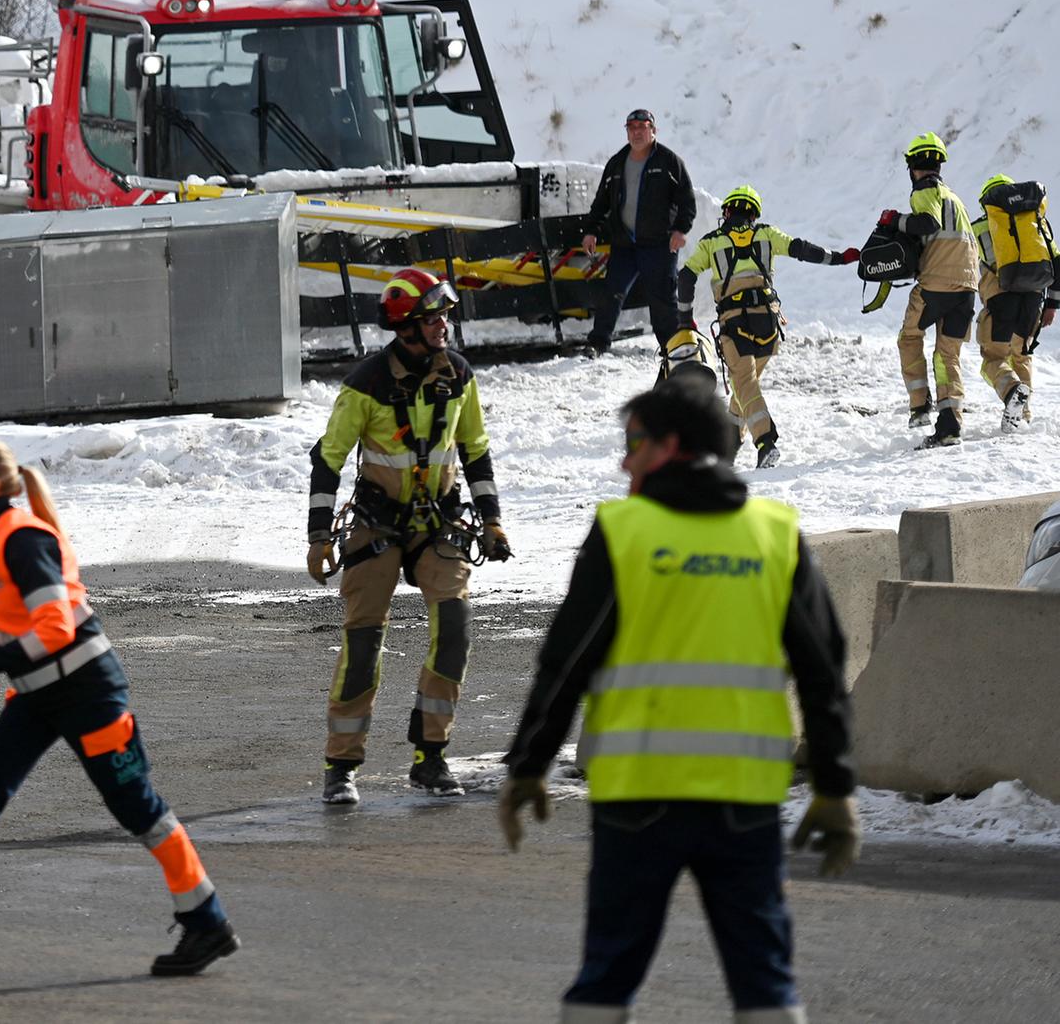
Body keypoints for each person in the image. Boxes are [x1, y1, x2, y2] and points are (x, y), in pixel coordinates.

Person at [498, 375, 858, 1024]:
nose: (622, 458)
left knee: (606, 975)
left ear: (669, 446)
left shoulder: (624, 531)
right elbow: (822, 672)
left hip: (639, 797)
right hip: (743, 801)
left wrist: (528, 766)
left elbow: (566, 662)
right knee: (764, 979)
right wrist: (835, 788)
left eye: (632, 441)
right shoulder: (774, 534)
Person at [0, 441, 237, 982]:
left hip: (88, 691)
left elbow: (55, 627)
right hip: (37, 695)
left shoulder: (22, 540)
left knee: (135, 804)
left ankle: (207, 922)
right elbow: (6, 630)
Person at [308, 267, 512, 804]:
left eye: (445, 315)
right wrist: (318, 535)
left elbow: (476, 452)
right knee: (363, 641)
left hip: (438, 527)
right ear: (407, 326)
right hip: (376, 529)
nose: (445, 323)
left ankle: (430, 756)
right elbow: (327, 460)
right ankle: (341, 765)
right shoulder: (365, 385)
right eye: (435, 316)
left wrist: (492, 520)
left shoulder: (460, 376)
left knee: (455, 629)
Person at [673, 185, 860, 468]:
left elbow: (686, 277)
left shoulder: (712, 242)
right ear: (754, 214)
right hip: (768, 327)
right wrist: (839, 257)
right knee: (744, 385)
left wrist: (685, 319)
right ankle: (728, 447)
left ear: (727, 211)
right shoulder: (768, 235)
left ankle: (766, 443)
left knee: (744, 383)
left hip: (734, 325)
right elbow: (802, 249)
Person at [581, 108, 698, 355]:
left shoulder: (669, 162)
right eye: (631, 128)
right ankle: (597, 343)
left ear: (653, 130)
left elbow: (687, 200)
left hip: (659, 244)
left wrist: (680, 230)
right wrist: (590, 231)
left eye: (642, 127)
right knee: (611, 293)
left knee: (662, 299)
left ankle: (672, 349)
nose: (636, 133)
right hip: (624, 243)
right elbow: (601, 202)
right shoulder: (616, 163)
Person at [894, 132, 981, 447]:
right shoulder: (954, 198)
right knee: (947, 354)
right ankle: (949, 425)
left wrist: (896, 220)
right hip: (968, 286)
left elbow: (926, 224)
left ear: (913, 165)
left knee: (909, 338)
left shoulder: (923, 190)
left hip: (937, 285)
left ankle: (919, 405)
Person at [971, 173, 1059, 431]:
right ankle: (1023, 416)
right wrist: (1052, 305)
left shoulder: (979, 227)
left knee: (993, 358)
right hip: (1033, 299)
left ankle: (1011, 391)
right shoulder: (1034, 224)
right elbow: (1057, 263)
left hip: (1000, 300)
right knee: (1021, 356)